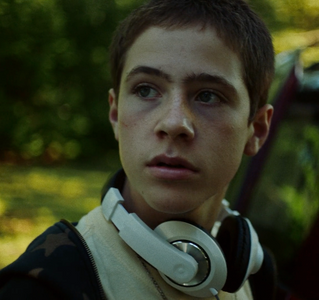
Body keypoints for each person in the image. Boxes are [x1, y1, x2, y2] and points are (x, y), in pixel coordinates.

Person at [0, 0, 276, 299]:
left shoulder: (256, 278)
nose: (173, 123)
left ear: (257, 129)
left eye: (208, 96)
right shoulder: (44, 284)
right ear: (116, 114)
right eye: (145, 90)